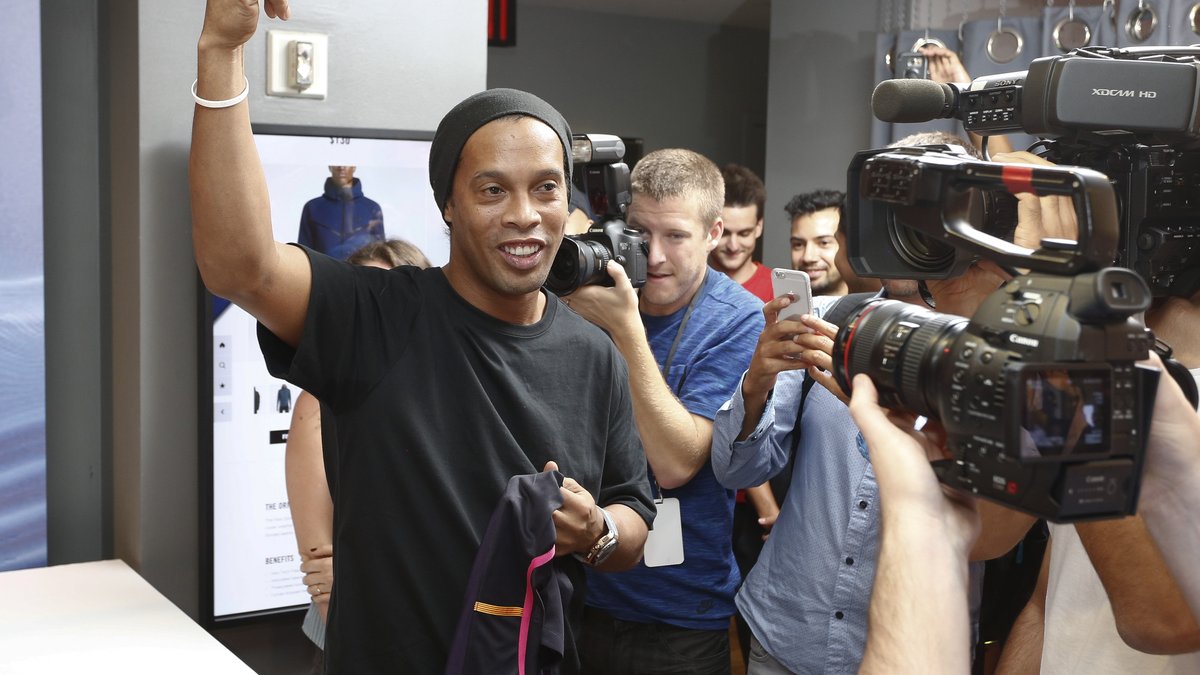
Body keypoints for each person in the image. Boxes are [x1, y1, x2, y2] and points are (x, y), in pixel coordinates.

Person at [190, 3, 655, 672]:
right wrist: (222, 50)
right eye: (492, 190)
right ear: (448, 204)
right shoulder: (376, 317)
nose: (524, 214)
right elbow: (241, 266)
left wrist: (599, 531)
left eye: (546, 188)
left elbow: (634, 516)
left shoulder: (593, 354)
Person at [852, 353, 1200, 675]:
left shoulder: (1147, 403)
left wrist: (914, 506)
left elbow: (1164, 624)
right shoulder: (1098, 374)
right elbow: (1046, 599)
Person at [564, 148, 765, 675]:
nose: (652, 256)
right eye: (639, 233)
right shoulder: (586, 295)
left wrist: (624, 327)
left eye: (675, 236)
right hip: (577, 588)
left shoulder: (738, 318)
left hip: (677, 613)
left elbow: (677, 463)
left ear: (714, 233)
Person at [284, 239, 432, 670]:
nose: (376, 311)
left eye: (388, 293)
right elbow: (322, 565)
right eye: (365, 295)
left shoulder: (441, 390)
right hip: (360, 641)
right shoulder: (319, 401)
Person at [297, 165, 387, 260]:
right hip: (323, 268)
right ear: (330, 166)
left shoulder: (371, 208)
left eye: (346, 163)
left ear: (354, 167)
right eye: (336, 162)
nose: (341, 167)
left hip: (359, 269)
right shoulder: (313, 207)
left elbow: (380, 255)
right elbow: (303, 255)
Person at [710, 164, 772, 302]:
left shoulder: (778, 292)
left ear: (759, 227)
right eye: (724, 233)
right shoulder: (686, 288)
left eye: (744, 233)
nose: (733, 246)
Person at [785, 189, 848, 296]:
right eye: (798, 245)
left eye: (824, 243)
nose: (808, 257)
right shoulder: (777, 306)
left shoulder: (873, 305)